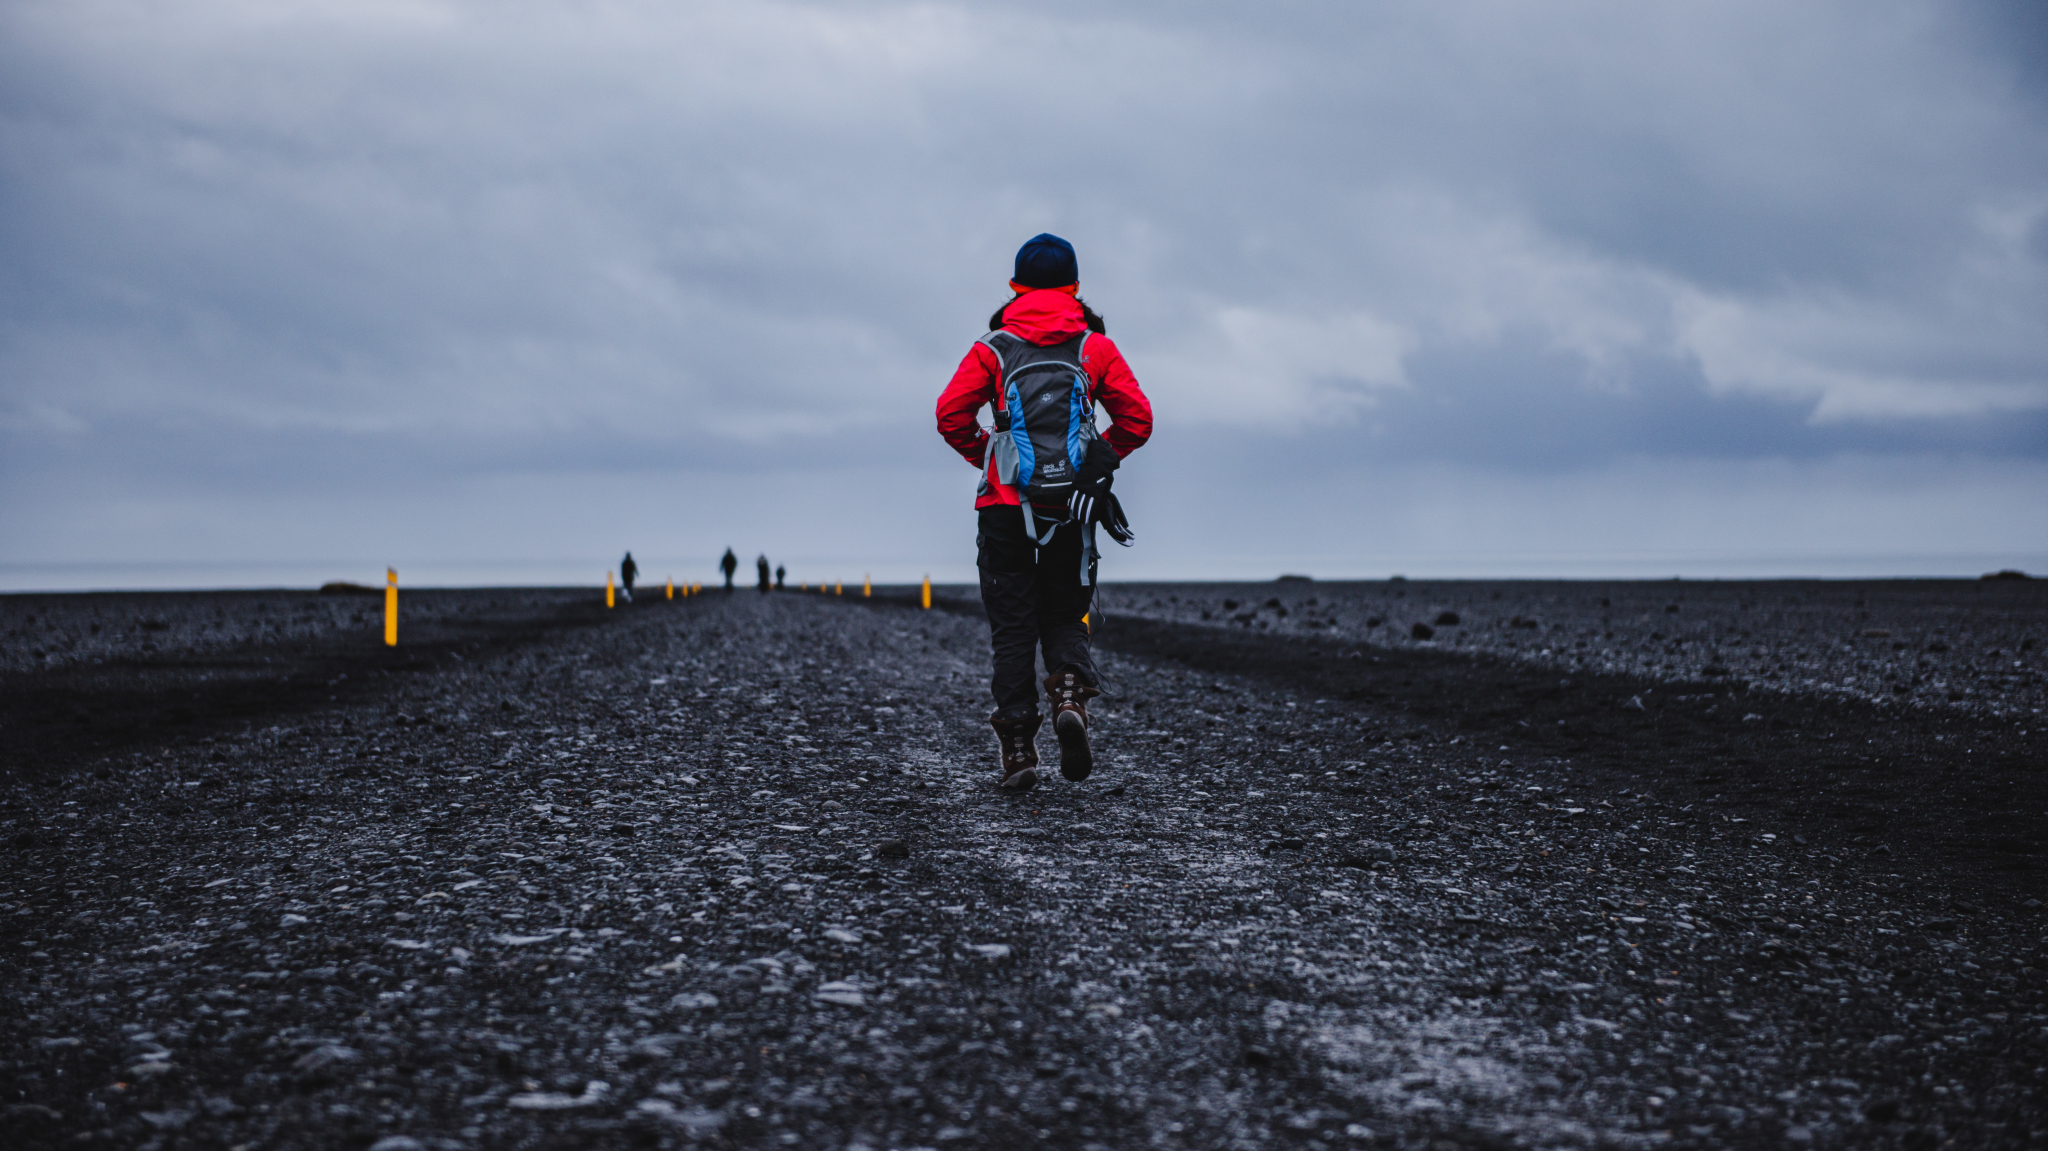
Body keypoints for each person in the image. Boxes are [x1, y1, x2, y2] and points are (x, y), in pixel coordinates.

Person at [935, 233, 1151, 792]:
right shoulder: (1093, 347)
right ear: (1075, 287)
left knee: (1012, 629)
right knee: (1062, 614)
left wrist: (991, 456)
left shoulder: (993, 348)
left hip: (1005, 507)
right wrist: (1095, 465)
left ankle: (1017, 751)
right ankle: (1071, 695)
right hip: (1071, 507)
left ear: (1015, 287)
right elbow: (1138, 419)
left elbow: (950, 414)